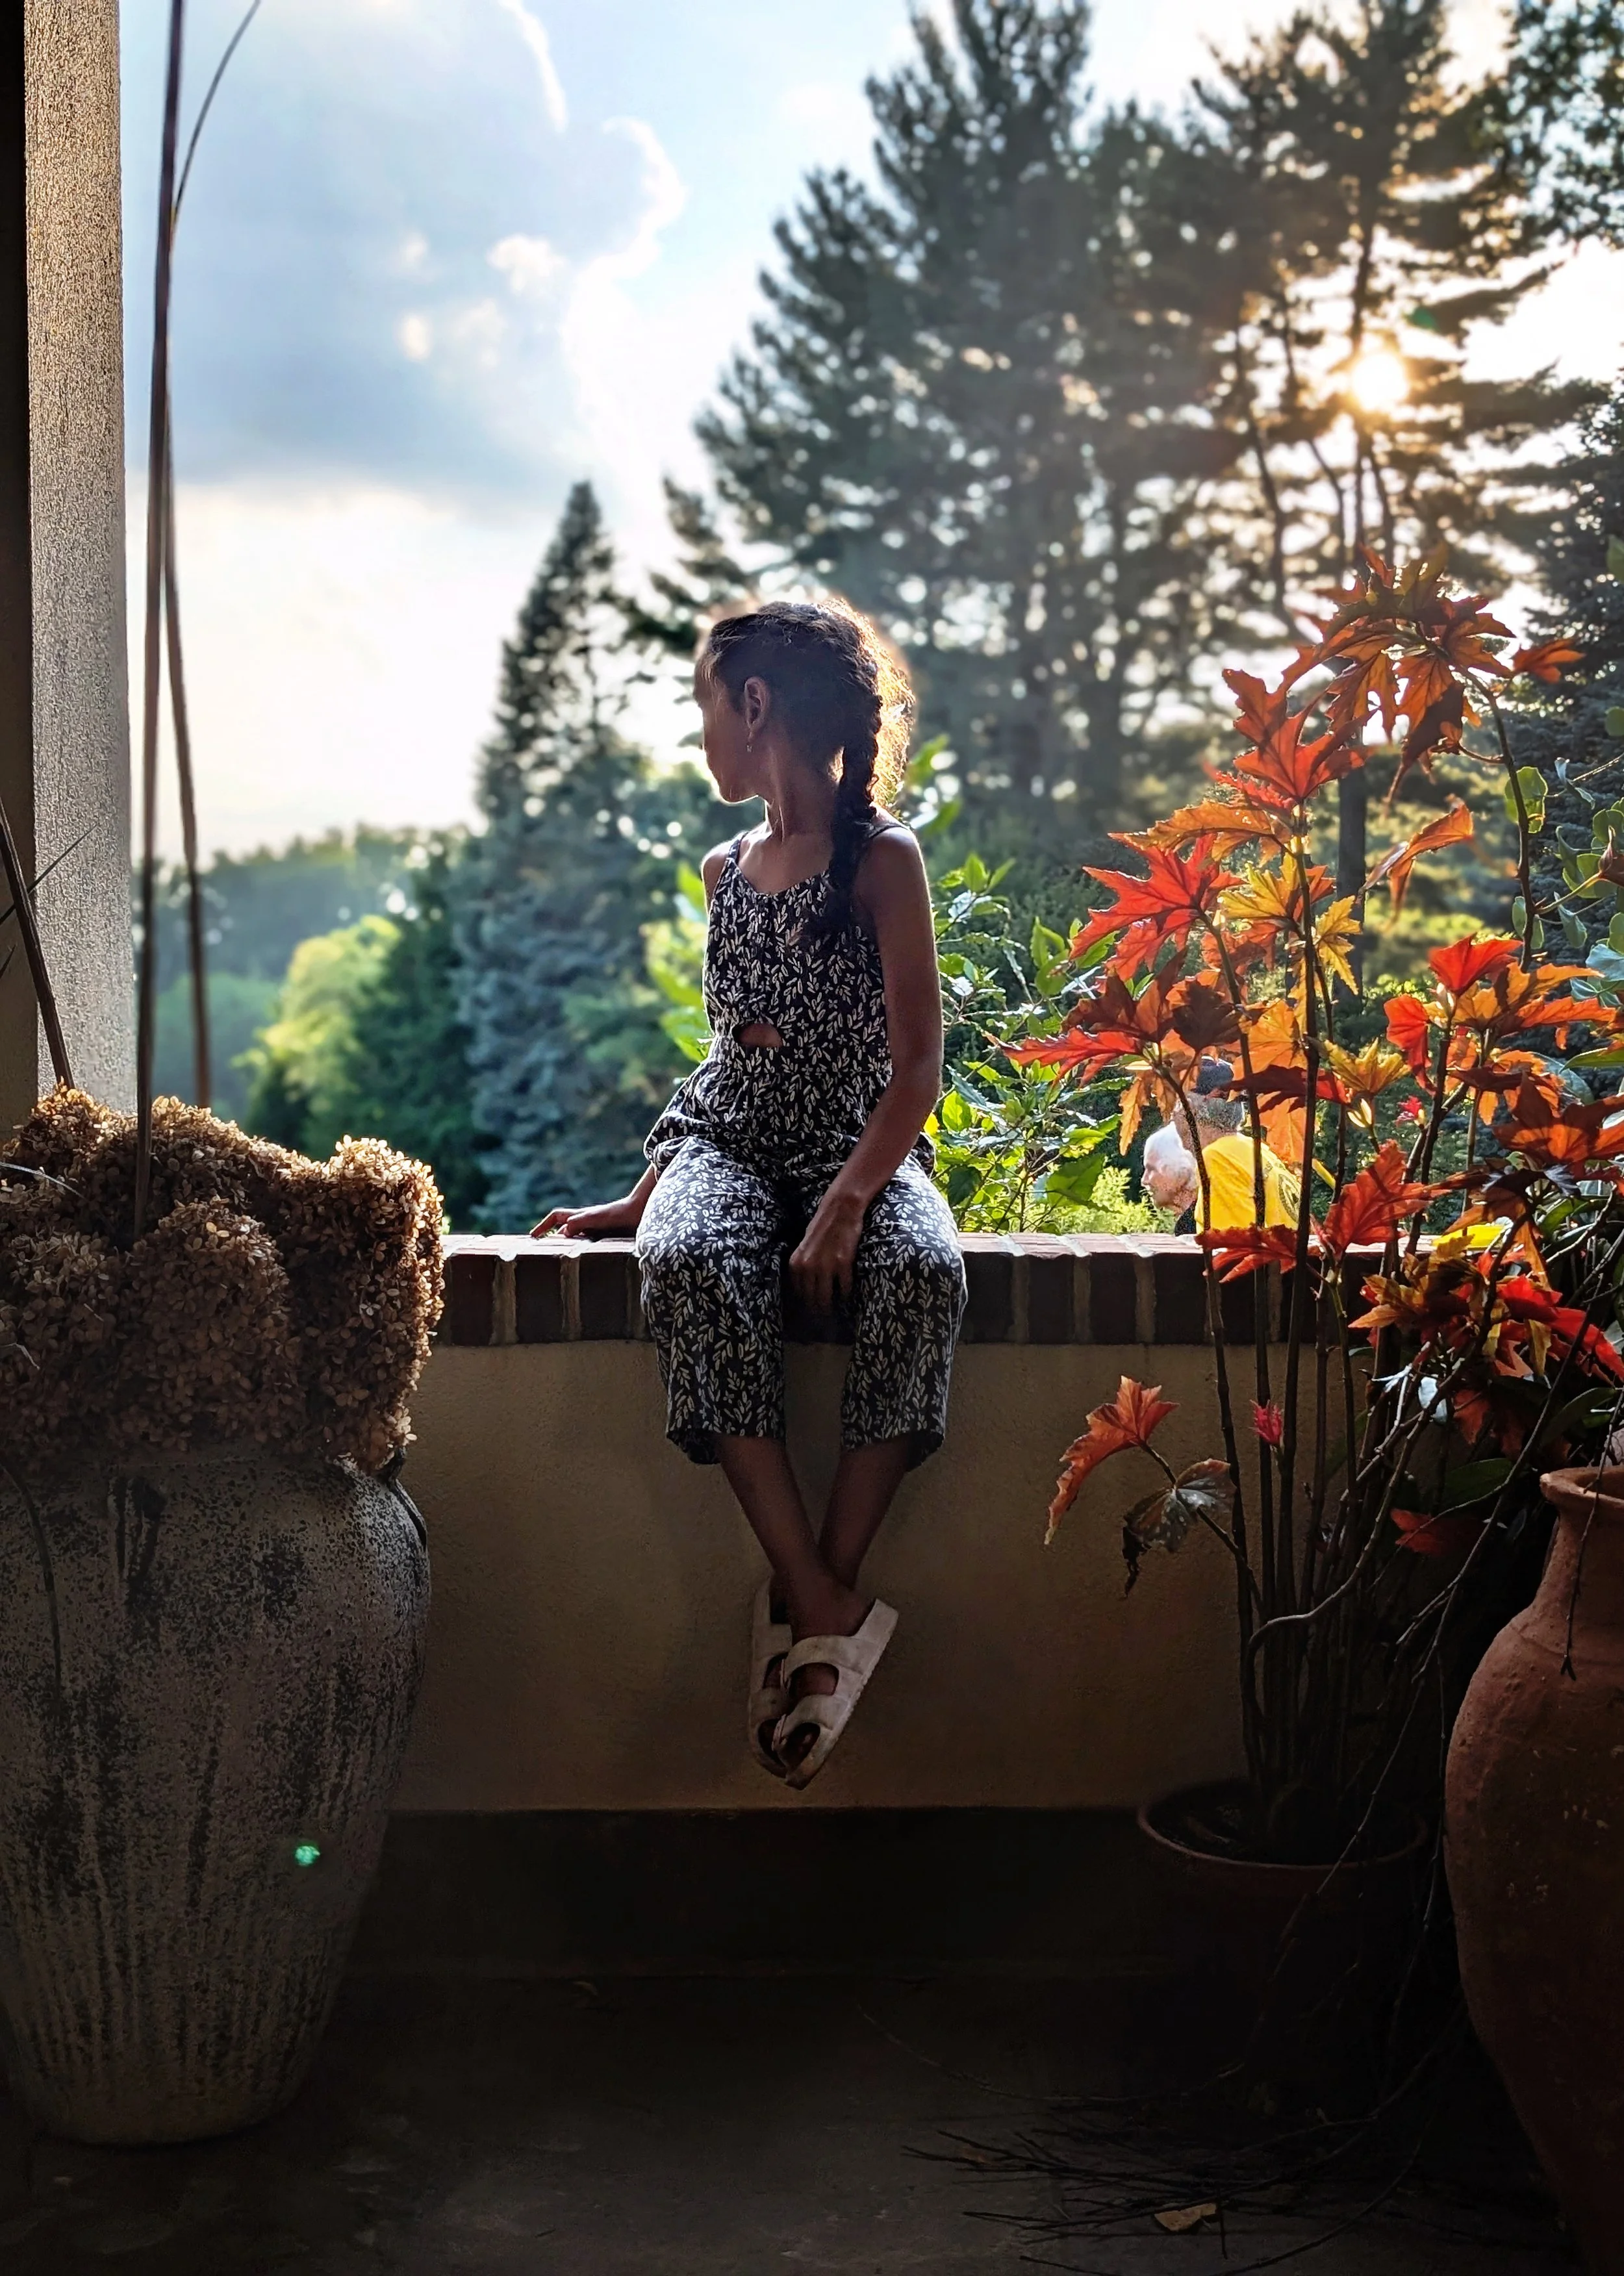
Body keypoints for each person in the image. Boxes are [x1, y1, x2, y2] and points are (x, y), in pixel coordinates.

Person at [533, 600, 966, 1790]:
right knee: (685, 1262)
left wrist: (842, 1201)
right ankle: (829, 1610)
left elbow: (919, 1066)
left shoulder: (885, 861)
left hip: (860, 1138)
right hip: (724, 1140)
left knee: (925, 1271)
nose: (702, 734)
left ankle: (808, 1599)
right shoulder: (725, 869)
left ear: (756, 705)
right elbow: (727, 1061)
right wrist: (640, 1197)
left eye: (705, 706)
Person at [1141, 1059, 1300, 1232]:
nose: (1172, 1118)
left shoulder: (1219, 1160)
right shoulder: (1258, 1151)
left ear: (1189, 1109)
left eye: (1175, 1106)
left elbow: (1230, 1250)